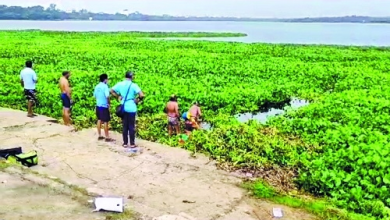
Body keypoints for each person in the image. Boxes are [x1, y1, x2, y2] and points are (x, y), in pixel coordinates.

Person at [110, 71, 144, 149]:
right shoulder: (133, 85)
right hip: (131, 107)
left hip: (123, 107)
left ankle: (125, 143)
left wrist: (118, 96)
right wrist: (137, 100)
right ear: (131, 77)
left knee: (125, 126)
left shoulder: (120, 84)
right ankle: (132, 143)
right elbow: (141, 95)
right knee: (131, 126)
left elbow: (111, 90)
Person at [93, 73, 115, 142]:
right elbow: (107, 96)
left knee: (99, 119)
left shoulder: (97, 86)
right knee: (106, 121)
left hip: (98, 105)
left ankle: (99, 135)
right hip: (104, 106)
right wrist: (109, 103)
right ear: (105, 79)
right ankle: (107, 137)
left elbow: (95, 96)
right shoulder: (105, 86)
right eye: (107, 79)